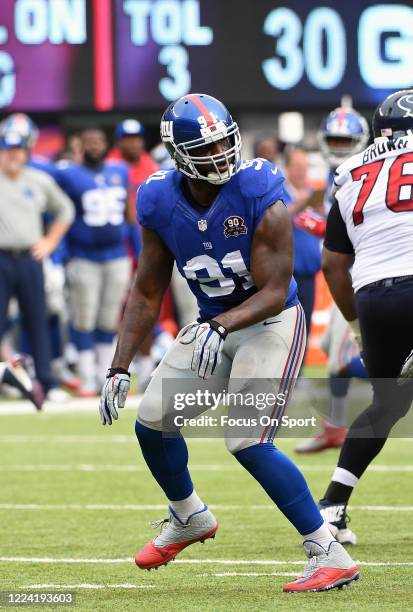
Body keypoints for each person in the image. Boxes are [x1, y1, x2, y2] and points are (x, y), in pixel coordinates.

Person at [99, 93, 359, 593]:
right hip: (214, 324)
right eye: (207, 148)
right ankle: (189, 516)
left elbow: (276, 290)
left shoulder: (259, 188)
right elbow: (147, 290)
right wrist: (119, 366)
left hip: (270, 321)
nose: (221, 156)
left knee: (246, 438)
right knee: (152, 423)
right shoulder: (156, 199)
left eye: (223, 142)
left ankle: (328, 551)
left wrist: (221, 326)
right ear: (177, 155)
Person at [319, 89, 413, 544]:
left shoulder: (350, 173)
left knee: (388, 404)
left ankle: (332, 507)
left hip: (376, 294)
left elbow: (334, 264)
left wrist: (356, 323)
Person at [295, 106, 370, 454]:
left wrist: (324, 227)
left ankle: (335, 426)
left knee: (343, 360)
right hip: (354, 274)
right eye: (334, 140)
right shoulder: (332, 174)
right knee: (330, 353)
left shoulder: (362, 172)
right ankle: (335, 427)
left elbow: (363, 226)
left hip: (368, 272)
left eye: (345, 140)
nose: (340, 147)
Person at [56, 128, 132, 396]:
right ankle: (87, 377)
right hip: (84, 256)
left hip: (116, 255)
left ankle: (104, 375)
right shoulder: (68, 173)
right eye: (89, 141)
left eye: (98, 140)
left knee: (109, 319)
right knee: (84, 319)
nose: (94, 145)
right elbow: (57, 210)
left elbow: (129, 213)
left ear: (106, 144)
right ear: (80, 145)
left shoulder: (120, 170)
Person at [0, 129, 74, 400]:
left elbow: (65, 210)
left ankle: (47, 382)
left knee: (37, 319)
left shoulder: (38, 180)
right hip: (1, 258)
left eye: (17, 150)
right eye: (8, 150)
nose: (13, 155)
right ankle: (11, 378)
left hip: (30, 258)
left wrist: (50, 242)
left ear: (25, 152)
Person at [284, 148, 322, 338]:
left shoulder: (313, 193)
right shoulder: (279, 192)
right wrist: (301, 203)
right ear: (287, 168)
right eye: (297, 167)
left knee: (305, 329)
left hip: (310, 274)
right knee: (288, 331)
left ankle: (302, 369)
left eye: (304, 167)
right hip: (287, 276)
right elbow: (278, 220)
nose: (301, 172)